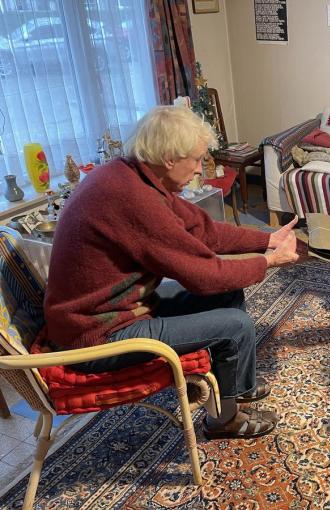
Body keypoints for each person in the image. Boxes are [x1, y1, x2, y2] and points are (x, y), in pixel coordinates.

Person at [44, 106, 303, 440]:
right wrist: (267, 262)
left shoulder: (133, 175)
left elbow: (203, 230)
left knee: (227, 294)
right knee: (235, 325)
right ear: (169, 158)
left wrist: (267, 239)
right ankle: (224, 421)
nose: (198, 169)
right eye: (195, 160)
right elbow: (203, 275)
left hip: (118, 310)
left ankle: (235, 387)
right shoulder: (132, 198)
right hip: (99, 335)